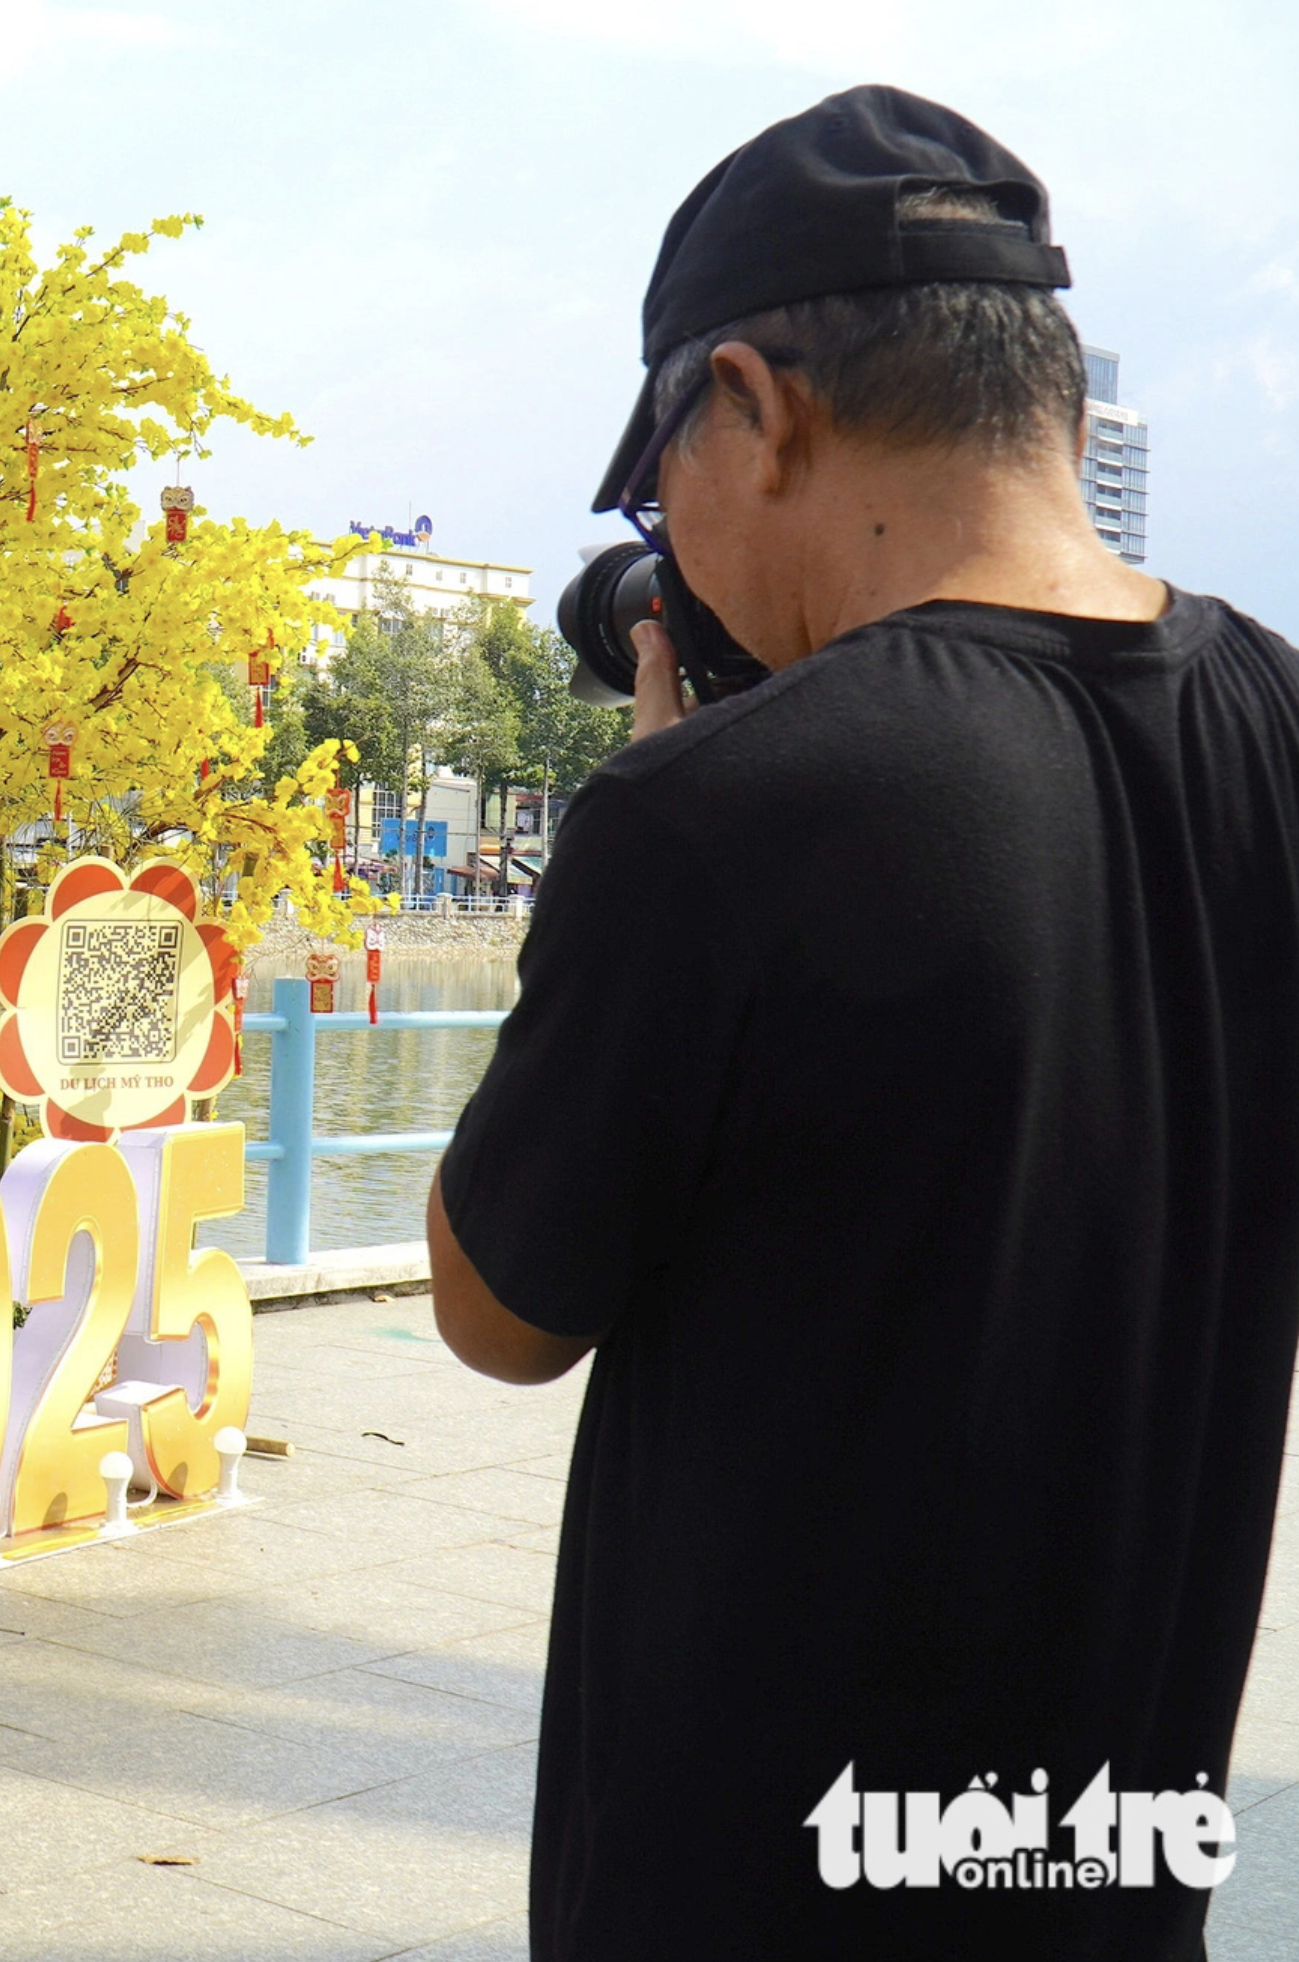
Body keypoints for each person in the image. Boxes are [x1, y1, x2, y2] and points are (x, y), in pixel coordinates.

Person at [429, 86, 1299, 1958]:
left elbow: (497, 1307)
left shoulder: (709, 816)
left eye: (653, 469)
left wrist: (631, 856)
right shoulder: (1279, 729)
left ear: (751, 404)